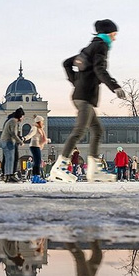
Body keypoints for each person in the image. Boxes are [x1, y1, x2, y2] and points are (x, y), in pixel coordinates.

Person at [50, 21, 126, 183]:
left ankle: (93, 169)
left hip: (81, 96)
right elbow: (100, 69)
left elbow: (67, 63)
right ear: (107, 34)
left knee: (97, 130)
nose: (115, 39)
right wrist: (115, 86)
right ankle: (60, 167)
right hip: (84, 97)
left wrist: (76, 82)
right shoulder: (100, 47)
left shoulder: (88, 48)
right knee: (79, 131)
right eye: (114, 35)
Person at [0, 107, 25, 183]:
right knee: (10, 159)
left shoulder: (10, 120)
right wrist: (20, 142)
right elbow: (13, 133)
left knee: (7, 160)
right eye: (23, 116)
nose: (23, 118)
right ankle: (10, 175)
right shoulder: (14, 121)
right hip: (8, 142)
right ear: (20, 116)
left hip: (4, 141)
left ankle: (7, 176)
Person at [24, 115, 50, 184]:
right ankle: (36, 177)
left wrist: (47, 140)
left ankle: (35, 177)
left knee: (37, 161)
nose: (43, 122)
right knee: (37, 161)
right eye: (42, 121)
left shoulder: (40, 129)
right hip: (34, 145)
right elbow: (31, 134)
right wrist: (25, 138)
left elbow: (40, 138)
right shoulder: (35, 128)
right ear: (39, 122)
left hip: (36, 145)